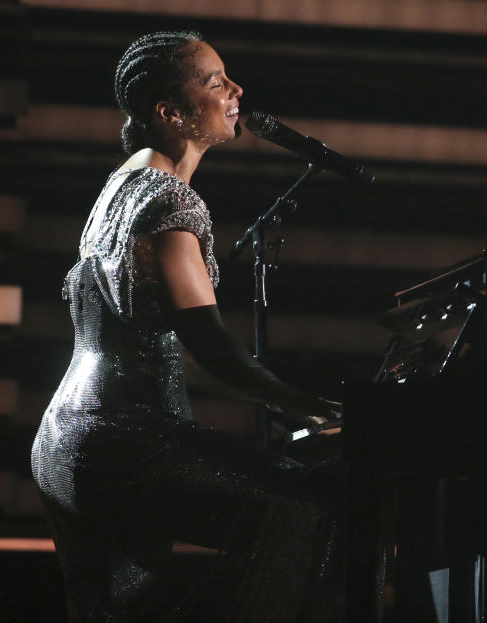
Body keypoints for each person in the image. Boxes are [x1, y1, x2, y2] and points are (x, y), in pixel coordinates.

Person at [31, 31, 343, 623]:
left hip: (65, 442)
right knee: (308, 512)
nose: (237, 91)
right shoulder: (169, 203)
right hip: (124, 444)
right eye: (215, 82)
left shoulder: (119, 185)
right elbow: (210, 345)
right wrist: (308, 407)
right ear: (170, 113)